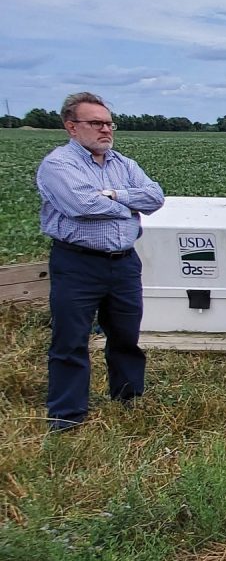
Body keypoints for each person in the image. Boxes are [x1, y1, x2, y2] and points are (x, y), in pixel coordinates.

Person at [36, 92, 165, 431]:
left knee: (125, 334)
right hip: (78, 264)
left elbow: (155, 197)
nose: (105, 129)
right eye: (96, 123)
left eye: (109, 123)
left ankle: (128, 397)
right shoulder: (58, 164)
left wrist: (114, 195)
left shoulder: (123, 164)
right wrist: (127, 205)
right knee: (71, 339)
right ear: (71, 127)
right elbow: (81, 206)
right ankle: (67, 415)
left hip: (123, 263)